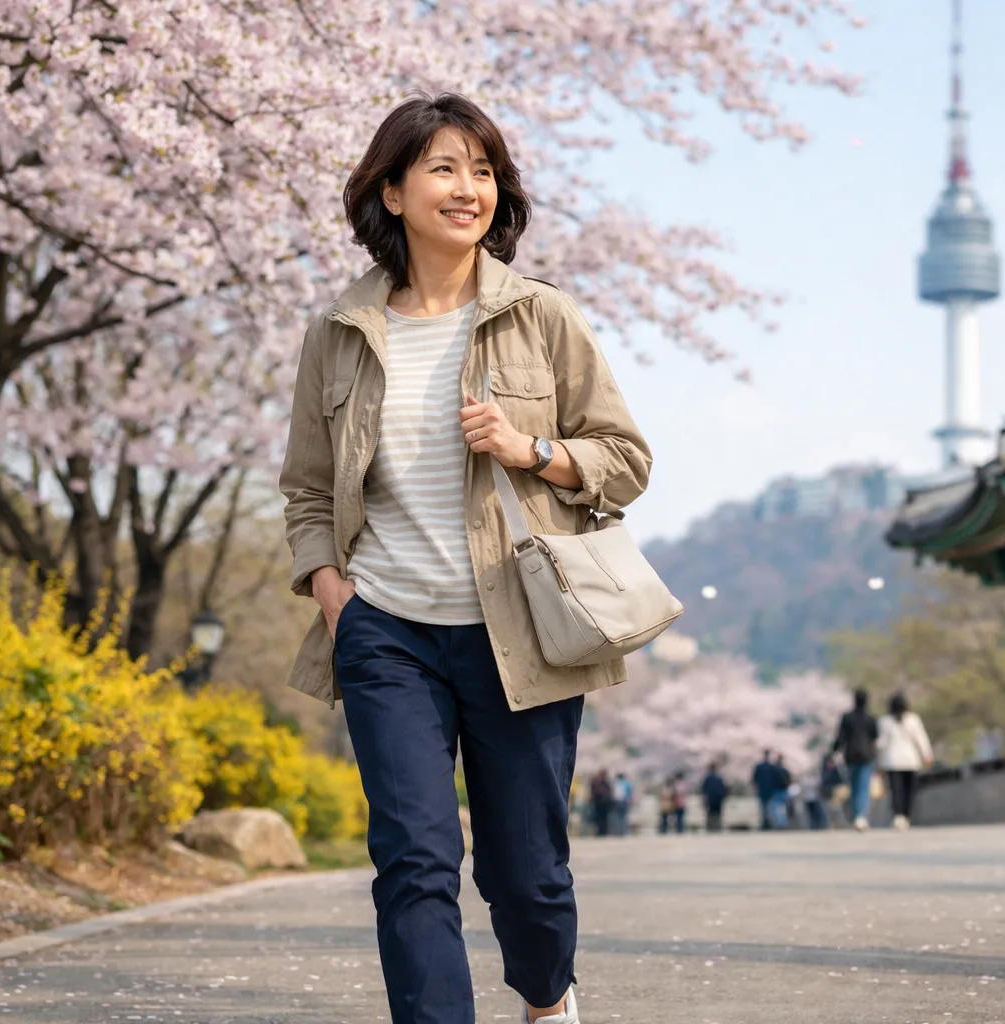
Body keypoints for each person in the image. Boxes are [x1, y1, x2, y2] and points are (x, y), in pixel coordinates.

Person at [280, 93, 651, 1024]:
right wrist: (334, 592)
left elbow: (625, 459)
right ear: (393, 190)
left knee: (526, 875)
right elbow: (309, 489)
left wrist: (531, 449)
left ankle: (547, 994)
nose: (467, 188)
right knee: (412, 859)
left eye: (482, 170)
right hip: (386, 634)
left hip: (516, 630)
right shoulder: (339, 334)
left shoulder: (542, 318)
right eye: (444, 168)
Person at [876, 692, 933, 831]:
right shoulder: (913, 720)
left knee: (896, 791)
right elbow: (921, 738)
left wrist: (878, 759)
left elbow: (881, 743)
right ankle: (905, 816)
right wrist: (927, 754)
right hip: (910, 761)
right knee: (909, 790)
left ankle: (898, 816)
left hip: (892, 761)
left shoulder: (885, 721)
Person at [832, 689, 880, 832]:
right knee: (864, 786)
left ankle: (857, 815)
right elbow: (876, 736)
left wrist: (834, 750)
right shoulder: (870, 718)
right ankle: (861, 816)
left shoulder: (847, 718)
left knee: (854, 787)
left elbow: (840, 738)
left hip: (851, 756)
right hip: (867, 756)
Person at [752, 749, 778, 830]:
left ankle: (765, 824)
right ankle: (768, 824)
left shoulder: (759, 767)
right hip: (770, 790)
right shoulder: (772, 767)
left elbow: (754, 779)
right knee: (769, 808)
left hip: (763, 790)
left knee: (764, 808)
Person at [700, 762, 729, 833]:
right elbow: (724, 788)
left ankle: (710, 827)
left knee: (710, 813)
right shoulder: (720, 778)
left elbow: (703, 789)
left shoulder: (707, 778)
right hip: (718, 798)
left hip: (710, 798)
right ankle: (717, 827)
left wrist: (704, 797)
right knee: (718, 813)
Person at [588, 770, 615, 837]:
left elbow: (609, 792)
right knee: (599, 818)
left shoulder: (606, 783)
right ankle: (600, 832)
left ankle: (603, 832)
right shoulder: (596, 782)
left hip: (604, 803)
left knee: (604, 818)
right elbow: (594, 792)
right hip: (599, 803)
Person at [612, 772, 633, 837]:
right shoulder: (626, 783)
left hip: (617, 801)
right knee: (624, 817)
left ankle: (618, 832)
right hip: (624, 801)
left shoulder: (616, 783)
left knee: (618, 817)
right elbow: (629, 793)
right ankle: (624, 831)